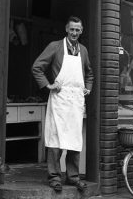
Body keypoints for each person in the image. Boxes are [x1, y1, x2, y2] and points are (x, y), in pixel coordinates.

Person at [31, 16, 94, 192]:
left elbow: (89, 73)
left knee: (74, 140)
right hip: (59, 100)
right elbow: (37, 67)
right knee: (56, 140)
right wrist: (48, 85)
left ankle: (73, 177)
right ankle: (54, 177)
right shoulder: (55, 46)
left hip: (75, 102)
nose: (74, 33)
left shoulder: (83, 50)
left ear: (81, 31)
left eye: (78, 30)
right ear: (66, 29)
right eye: (72, 29)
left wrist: (88, 88)